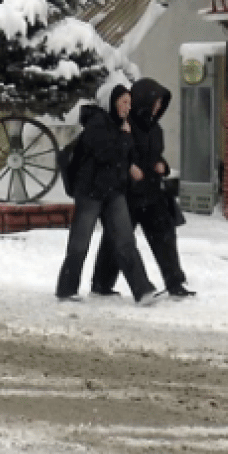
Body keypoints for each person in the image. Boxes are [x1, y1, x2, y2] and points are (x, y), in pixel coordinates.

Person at [55, 84, 161, 306]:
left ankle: (142, 291)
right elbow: (105, 153)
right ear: (111, 102)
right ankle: (66, 289)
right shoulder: (97, 122)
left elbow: (123, 155)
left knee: (125, 241)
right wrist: (124, 138)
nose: (127, 107)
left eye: (129, 103)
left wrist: (131, 166)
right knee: (80, 242)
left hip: (114, 191)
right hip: (90, 192)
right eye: (123, 102)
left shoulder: (122, 125)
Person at [91, 78, 195, 298]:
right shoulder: (122, 126)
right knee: (115, 240)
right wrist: (130, 167)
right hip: (126, 195)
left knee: (165, 236)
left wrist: (162, 166)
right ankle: (101, 284)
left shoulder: (155, 129)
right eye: (154, 103)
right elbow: (112, 153)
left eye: (159, 104)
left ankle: (174, 282)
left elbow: (155, 156)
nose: (157, 108)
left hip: (152, 193)